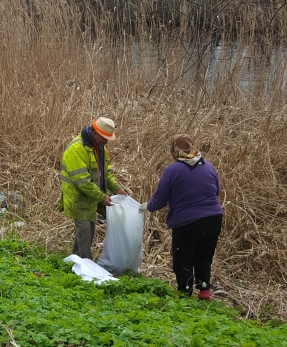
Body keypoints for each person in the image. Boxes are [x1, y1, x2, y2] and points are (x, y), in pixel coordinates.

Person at [141, 134, 223, 299]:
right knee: (204, 256)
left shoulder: (172, 171)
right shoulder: (208, 166)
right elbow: (217, 191)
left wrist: (147, 206)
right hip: (214, 218)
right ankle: (204, 292)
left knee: (183, 258)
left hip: (188, 222)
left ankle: (184, 293)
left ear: (174, 150)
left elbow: (160, 199)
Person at [61, 116, 127, 259]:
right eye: (104, 137)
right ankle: (86, 266)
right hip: (77, 198)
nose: (106, 141)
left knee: (87, 231)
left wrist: (117, 188)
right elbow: (82, 181)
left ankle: (75, 260)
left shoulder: (100, 148)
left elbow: (107, 174)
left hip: (91, 198)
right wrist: (102, 197)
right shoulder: (76, 149)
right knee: (85, 232)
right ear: (95, 133)